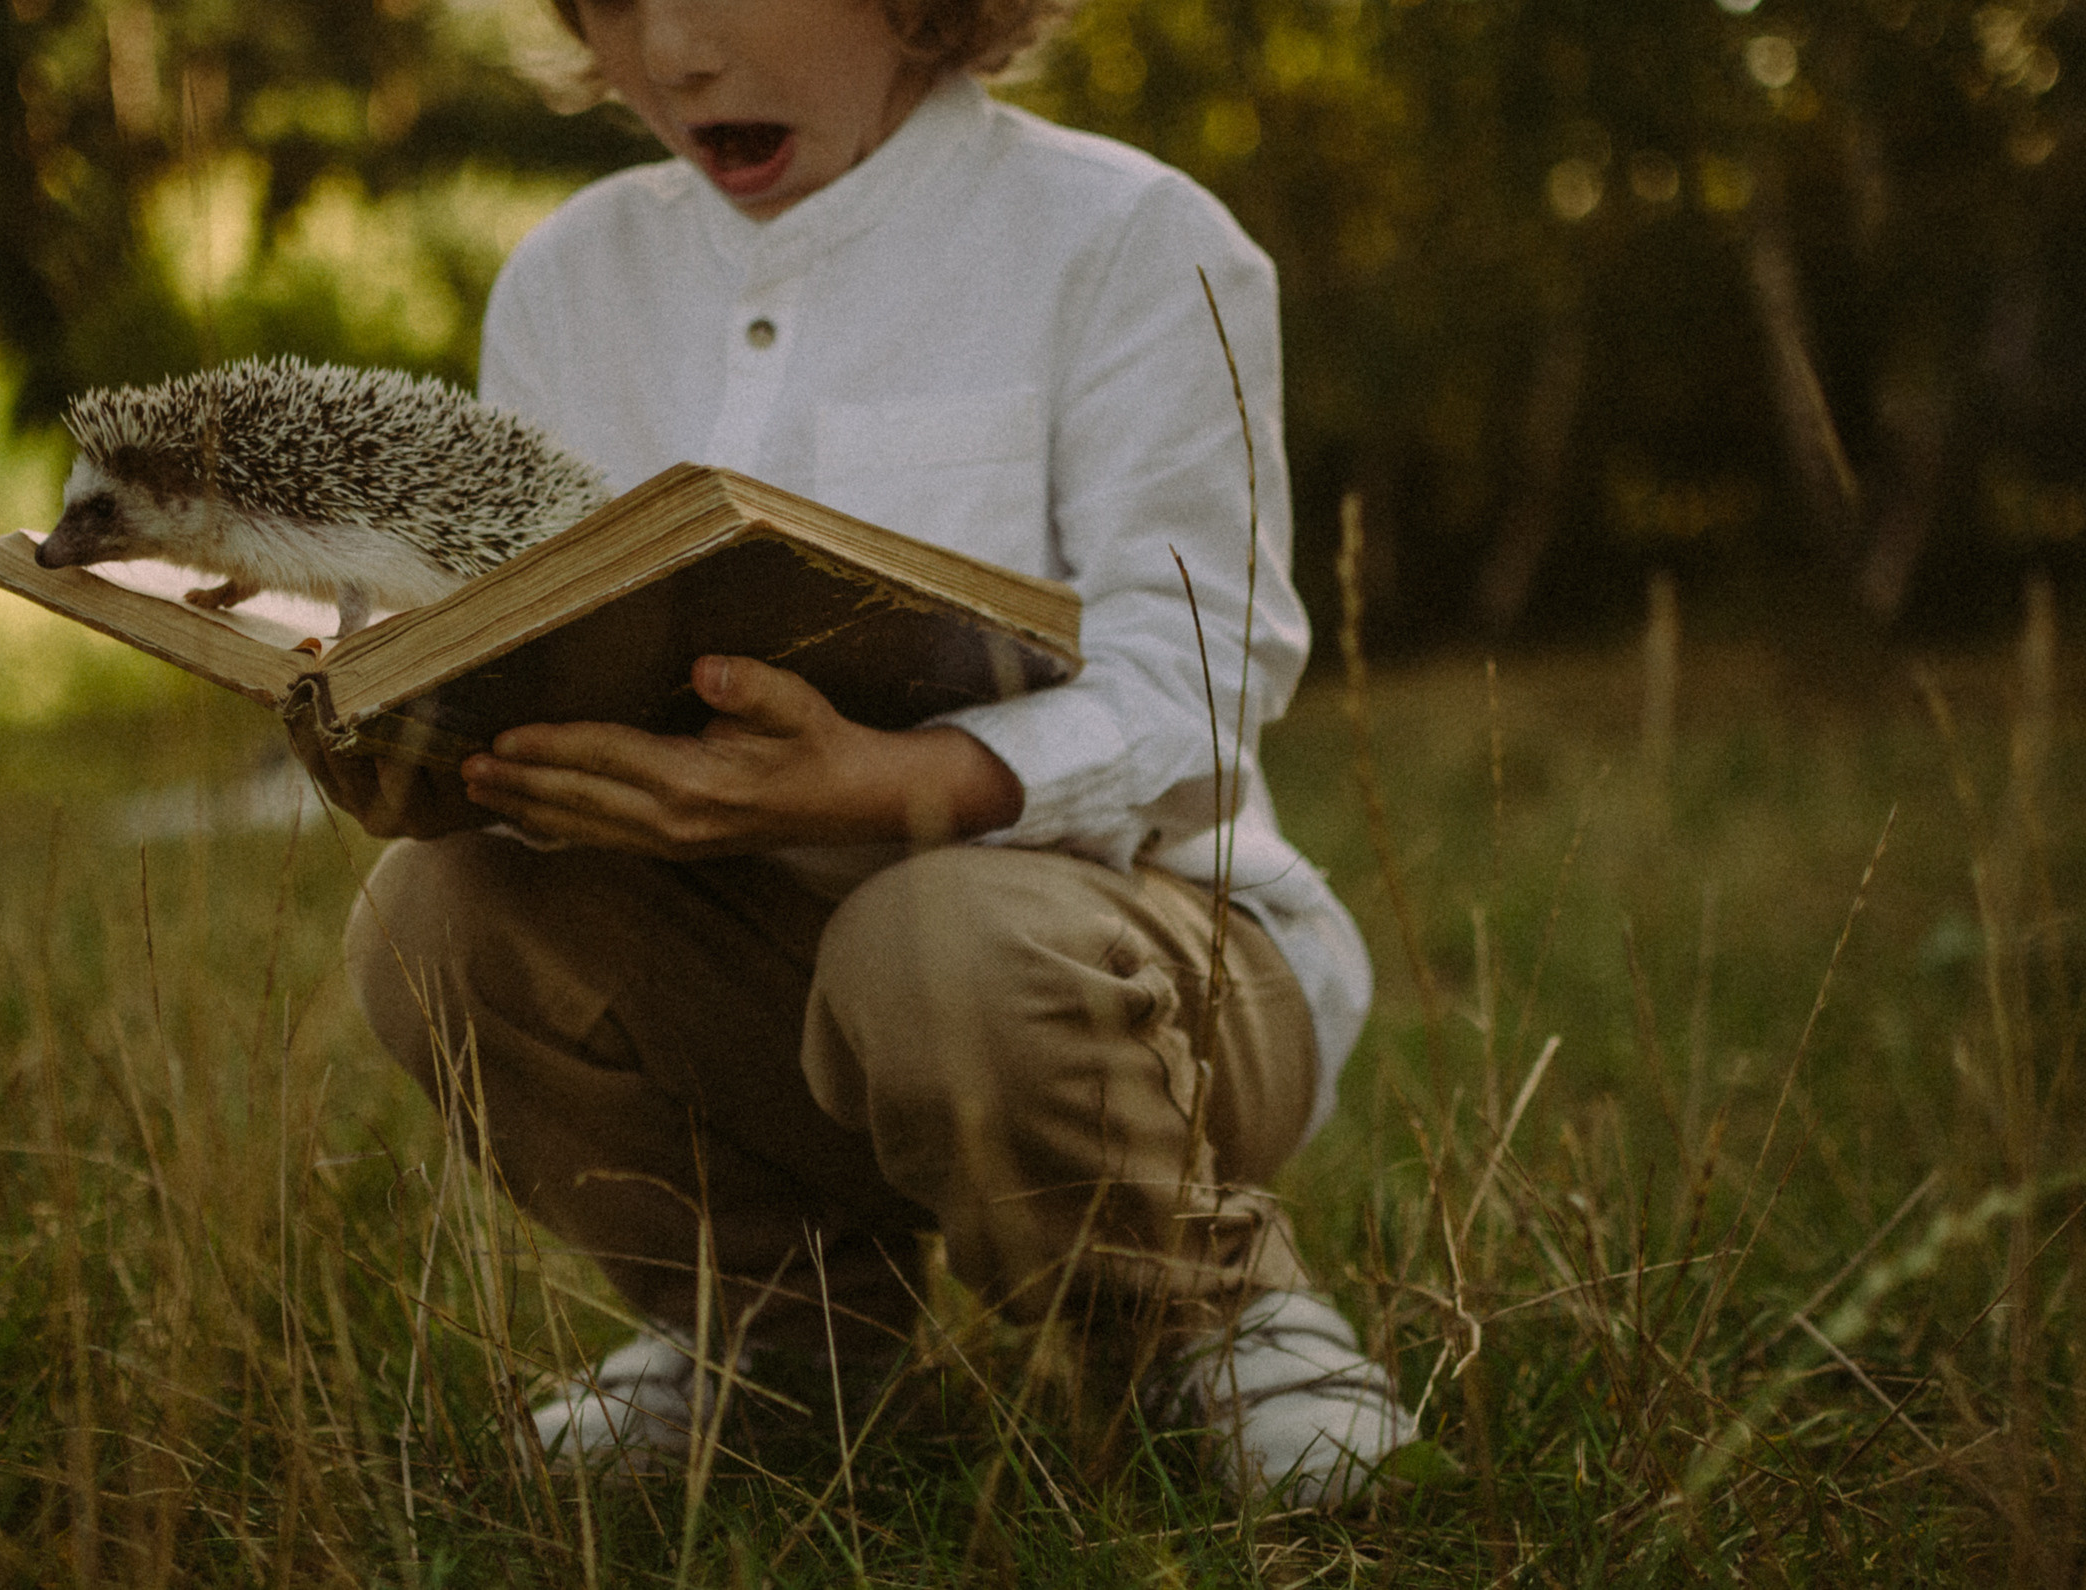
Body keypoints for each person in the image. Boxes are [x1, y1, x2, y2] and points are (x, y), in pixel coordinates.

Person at [313, 0, 1414, 1509]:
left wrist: (909, 781)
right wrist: (424, 724)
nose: (673, 55)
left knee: (932, 938)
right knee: (427, 911)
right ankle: (778, 1339)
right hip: (748, 969)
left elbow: (1210, 673)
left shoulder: (1129, 237)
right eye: (615, 5)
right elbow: (535, 635)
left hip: (1129, 965)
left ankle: (1206, 1317)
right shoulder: (573, 279)